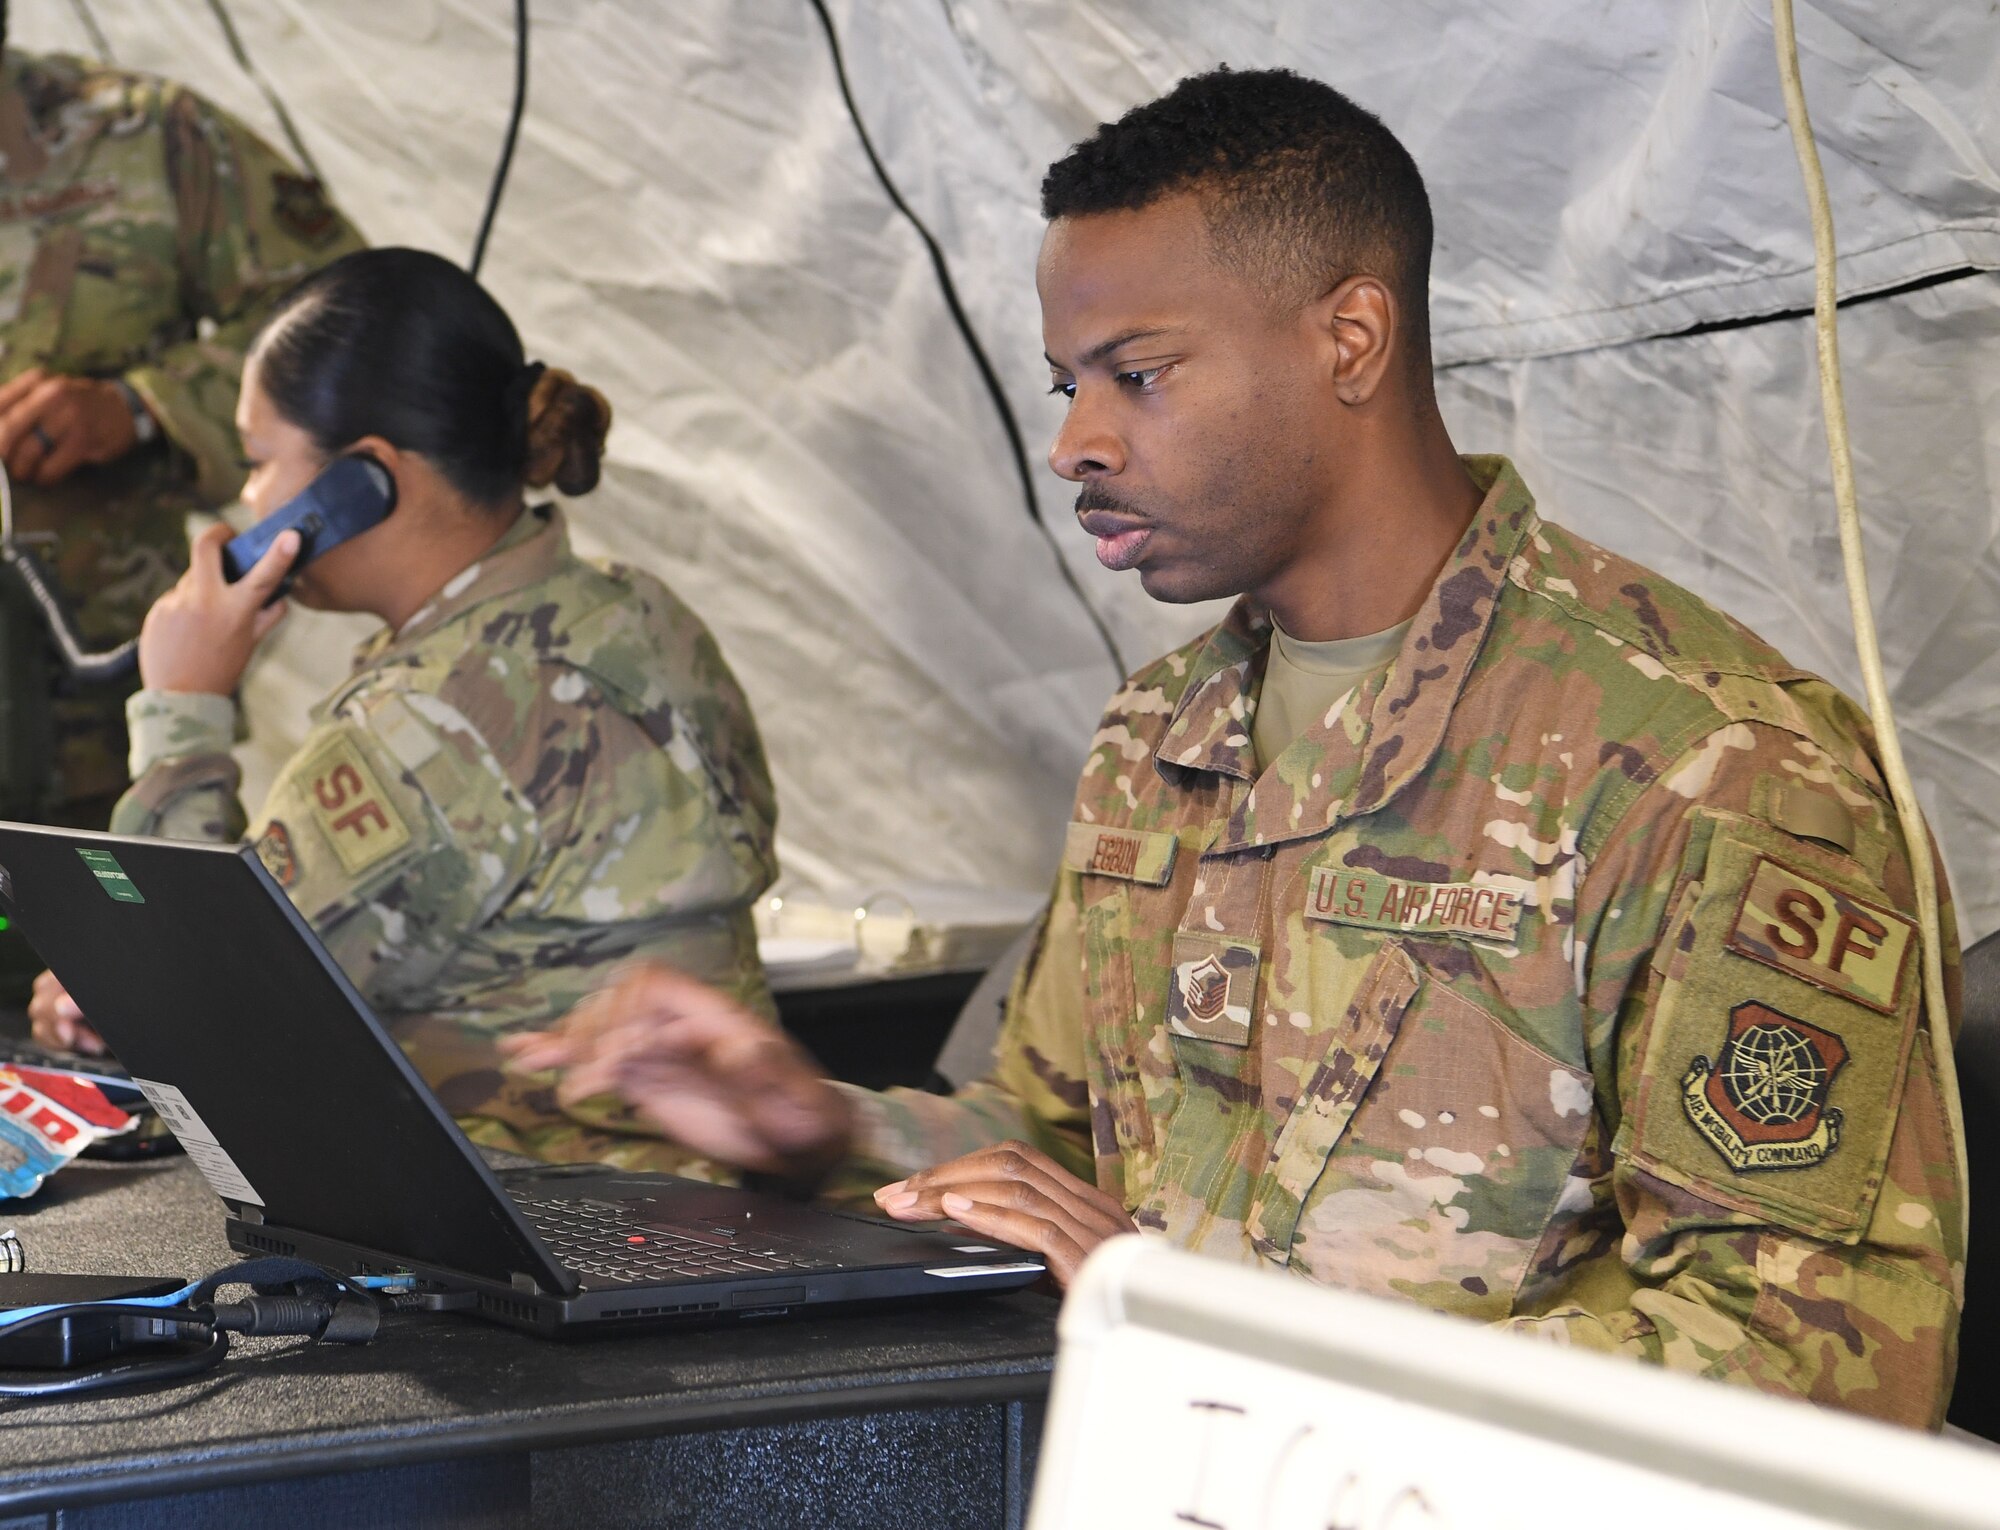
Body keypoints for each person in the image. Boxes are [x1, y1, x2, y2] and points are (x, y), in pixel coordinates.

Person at [506, 69, 1965, 1427]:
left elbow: (1809, 1366)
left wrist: (1216, 1333)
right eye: (1064, 380)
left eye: (1135, 374)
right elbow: (1066, 1146)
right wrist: (822, 1125)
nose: (1075, 438)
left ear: (1350, 340)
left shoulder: (1709, 764)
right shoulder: (1162, 736)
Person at [32, 247, 779, 1177]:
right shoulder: (640, 611)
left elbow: (193, 1026)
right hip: (720, 1205)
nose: (247, 502)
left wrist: (185, 709)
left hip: (557, 1222)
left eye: (262, 463)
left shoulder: (429, 721)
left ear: (365, 482)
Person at [0, 20, 362, 827]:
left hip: (94, 728)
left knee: (97, 945)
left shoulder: (147, 138)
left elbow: (348, 322)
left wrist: (137, 408)